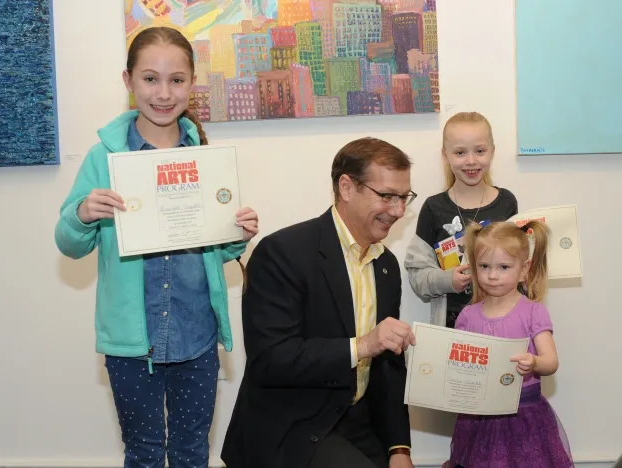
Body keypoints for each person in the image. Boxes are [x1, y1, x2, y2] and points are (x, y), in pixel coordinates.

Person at [54, 26, 259, 468]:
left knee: (191, 452)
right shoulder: (102, 158)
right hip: (131, 343)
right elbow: (69, 245)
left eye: (177, 80)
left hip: (197, 335)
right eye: (150, 79)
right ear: (128, 81)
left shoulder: (201, 152)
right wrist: (82, 213)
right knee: (144, 452)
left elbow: (213, 252)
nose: (163, 93)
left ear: (192, 83)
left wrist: (236, 235)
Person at [222, 138, 417, 468]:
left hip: (358, 422)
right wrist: (364, 345)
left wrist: (400, 448)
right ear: (346, 187)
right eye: (386, 196)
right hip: (293, 424)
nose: (398, 211)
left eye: (404, 198)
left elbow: (390, 366)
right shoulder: (282, 253)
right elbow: (271, 359)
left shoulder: (386, 265)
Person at [447, 220, 573, 468]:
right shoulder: (467, 316)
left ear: (524, 269)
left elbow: (551, 361)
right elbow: (455, 365)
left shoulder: (533, 312)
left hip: (524, 417)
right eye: (484, 266)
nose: (492, 275)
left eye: (504, 267)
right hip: (478, 420)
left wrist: (534, 362)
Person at [405, 111, 518, 329]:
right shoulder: (433, 208)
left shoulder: (507, 202)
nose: (471, 161)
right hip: (452, 332)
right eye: (460, 152)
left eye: (480, 151)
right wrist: (448, 280)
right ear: (445, 155)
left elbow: (519, 264)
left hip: (502, 326)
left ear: (492, 152)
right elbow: (417, 276)